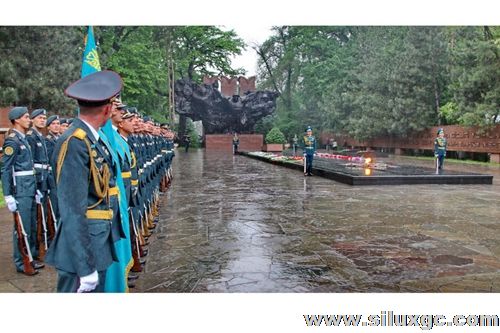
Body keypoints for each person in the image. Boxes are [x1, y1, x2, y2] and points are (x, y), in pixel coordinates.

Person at [45, 70, 122, 292]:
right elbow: (72, 210)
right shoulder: (74, 142)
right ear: (107, 109)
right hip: (83, 252)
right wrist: (85, 267)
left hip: (97, 244)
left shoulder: (92, 140)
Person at [1, 106, 45, 275]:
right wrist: (8, 195)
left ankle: (31, 258)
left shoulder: (23, 139)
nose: (29, 119)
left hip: (29, 188)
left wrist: (36, 189)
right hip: (21, 190)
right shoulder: (12, 141)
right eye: (26, 116)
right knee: (22, 227)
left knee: (31, 225)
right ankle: (21, 262)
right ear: (17, 119)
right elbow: (6, 169)